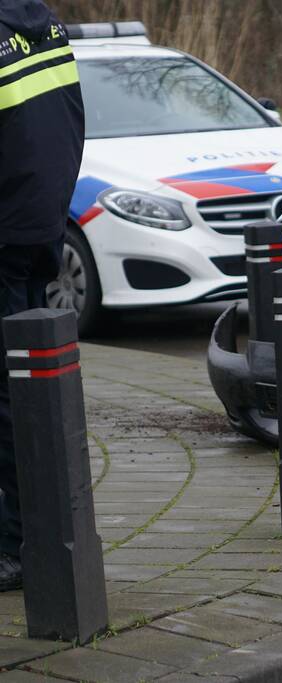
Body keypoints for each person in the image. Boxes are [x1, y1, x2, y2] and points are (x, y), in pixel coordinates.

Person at [0, 0, 85, 591]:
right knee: (29, 386)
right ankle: (50, 530)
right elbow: (69, 125)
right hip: (37, 229)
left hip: (5, 234)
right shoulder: (42, 22)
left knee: (8, 401)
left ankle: (21, 545)